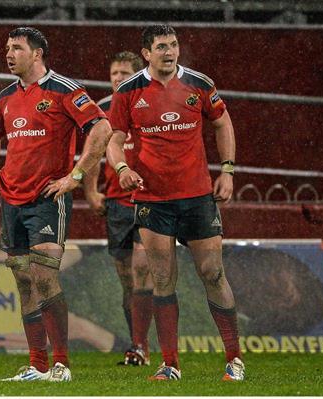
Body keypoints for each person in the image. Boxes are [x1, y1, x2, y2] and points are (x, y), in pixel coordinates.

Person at [106, 25, 244, 381]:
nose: (170, 52)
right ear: (146, 53)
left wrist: (227, 170)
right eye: (161, 47)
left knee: (212, 273)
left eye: (174, 45)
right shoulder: (129, 91)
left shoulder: (199, 84)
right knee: (162, 279)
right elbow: (114, 139)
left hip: (198, 197)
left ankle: (234, 359)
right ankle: (170, 364)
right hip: (153, 200)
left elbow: (223, 123)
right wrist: (121, 167)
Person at [0, 27, 112, 382]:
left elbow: (100, 128)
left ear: (36, 54)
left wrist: (77, 176)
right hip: (11, 198)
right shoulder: (6, 96)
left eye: (17, 49)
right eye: (7, 48)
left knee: (43, 276)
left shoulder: (64, 89)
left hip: (46, 197)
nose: (8, 54)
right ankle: (37, 364)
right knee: (24, 281)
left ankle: (61, 364)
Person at [83, 51, 154, 366]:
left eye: (124, 72)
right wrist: (90, 191)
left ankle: (146, 345)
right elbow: (93, 153)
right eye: (113, 72)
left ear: (137, 74)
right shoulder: (102, 110)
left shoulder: (151, 103)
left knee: (142, 270)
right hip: (115, 203)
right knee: (127, 277)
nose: (117, 77)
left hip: (149, 200)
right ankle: (137, 342)